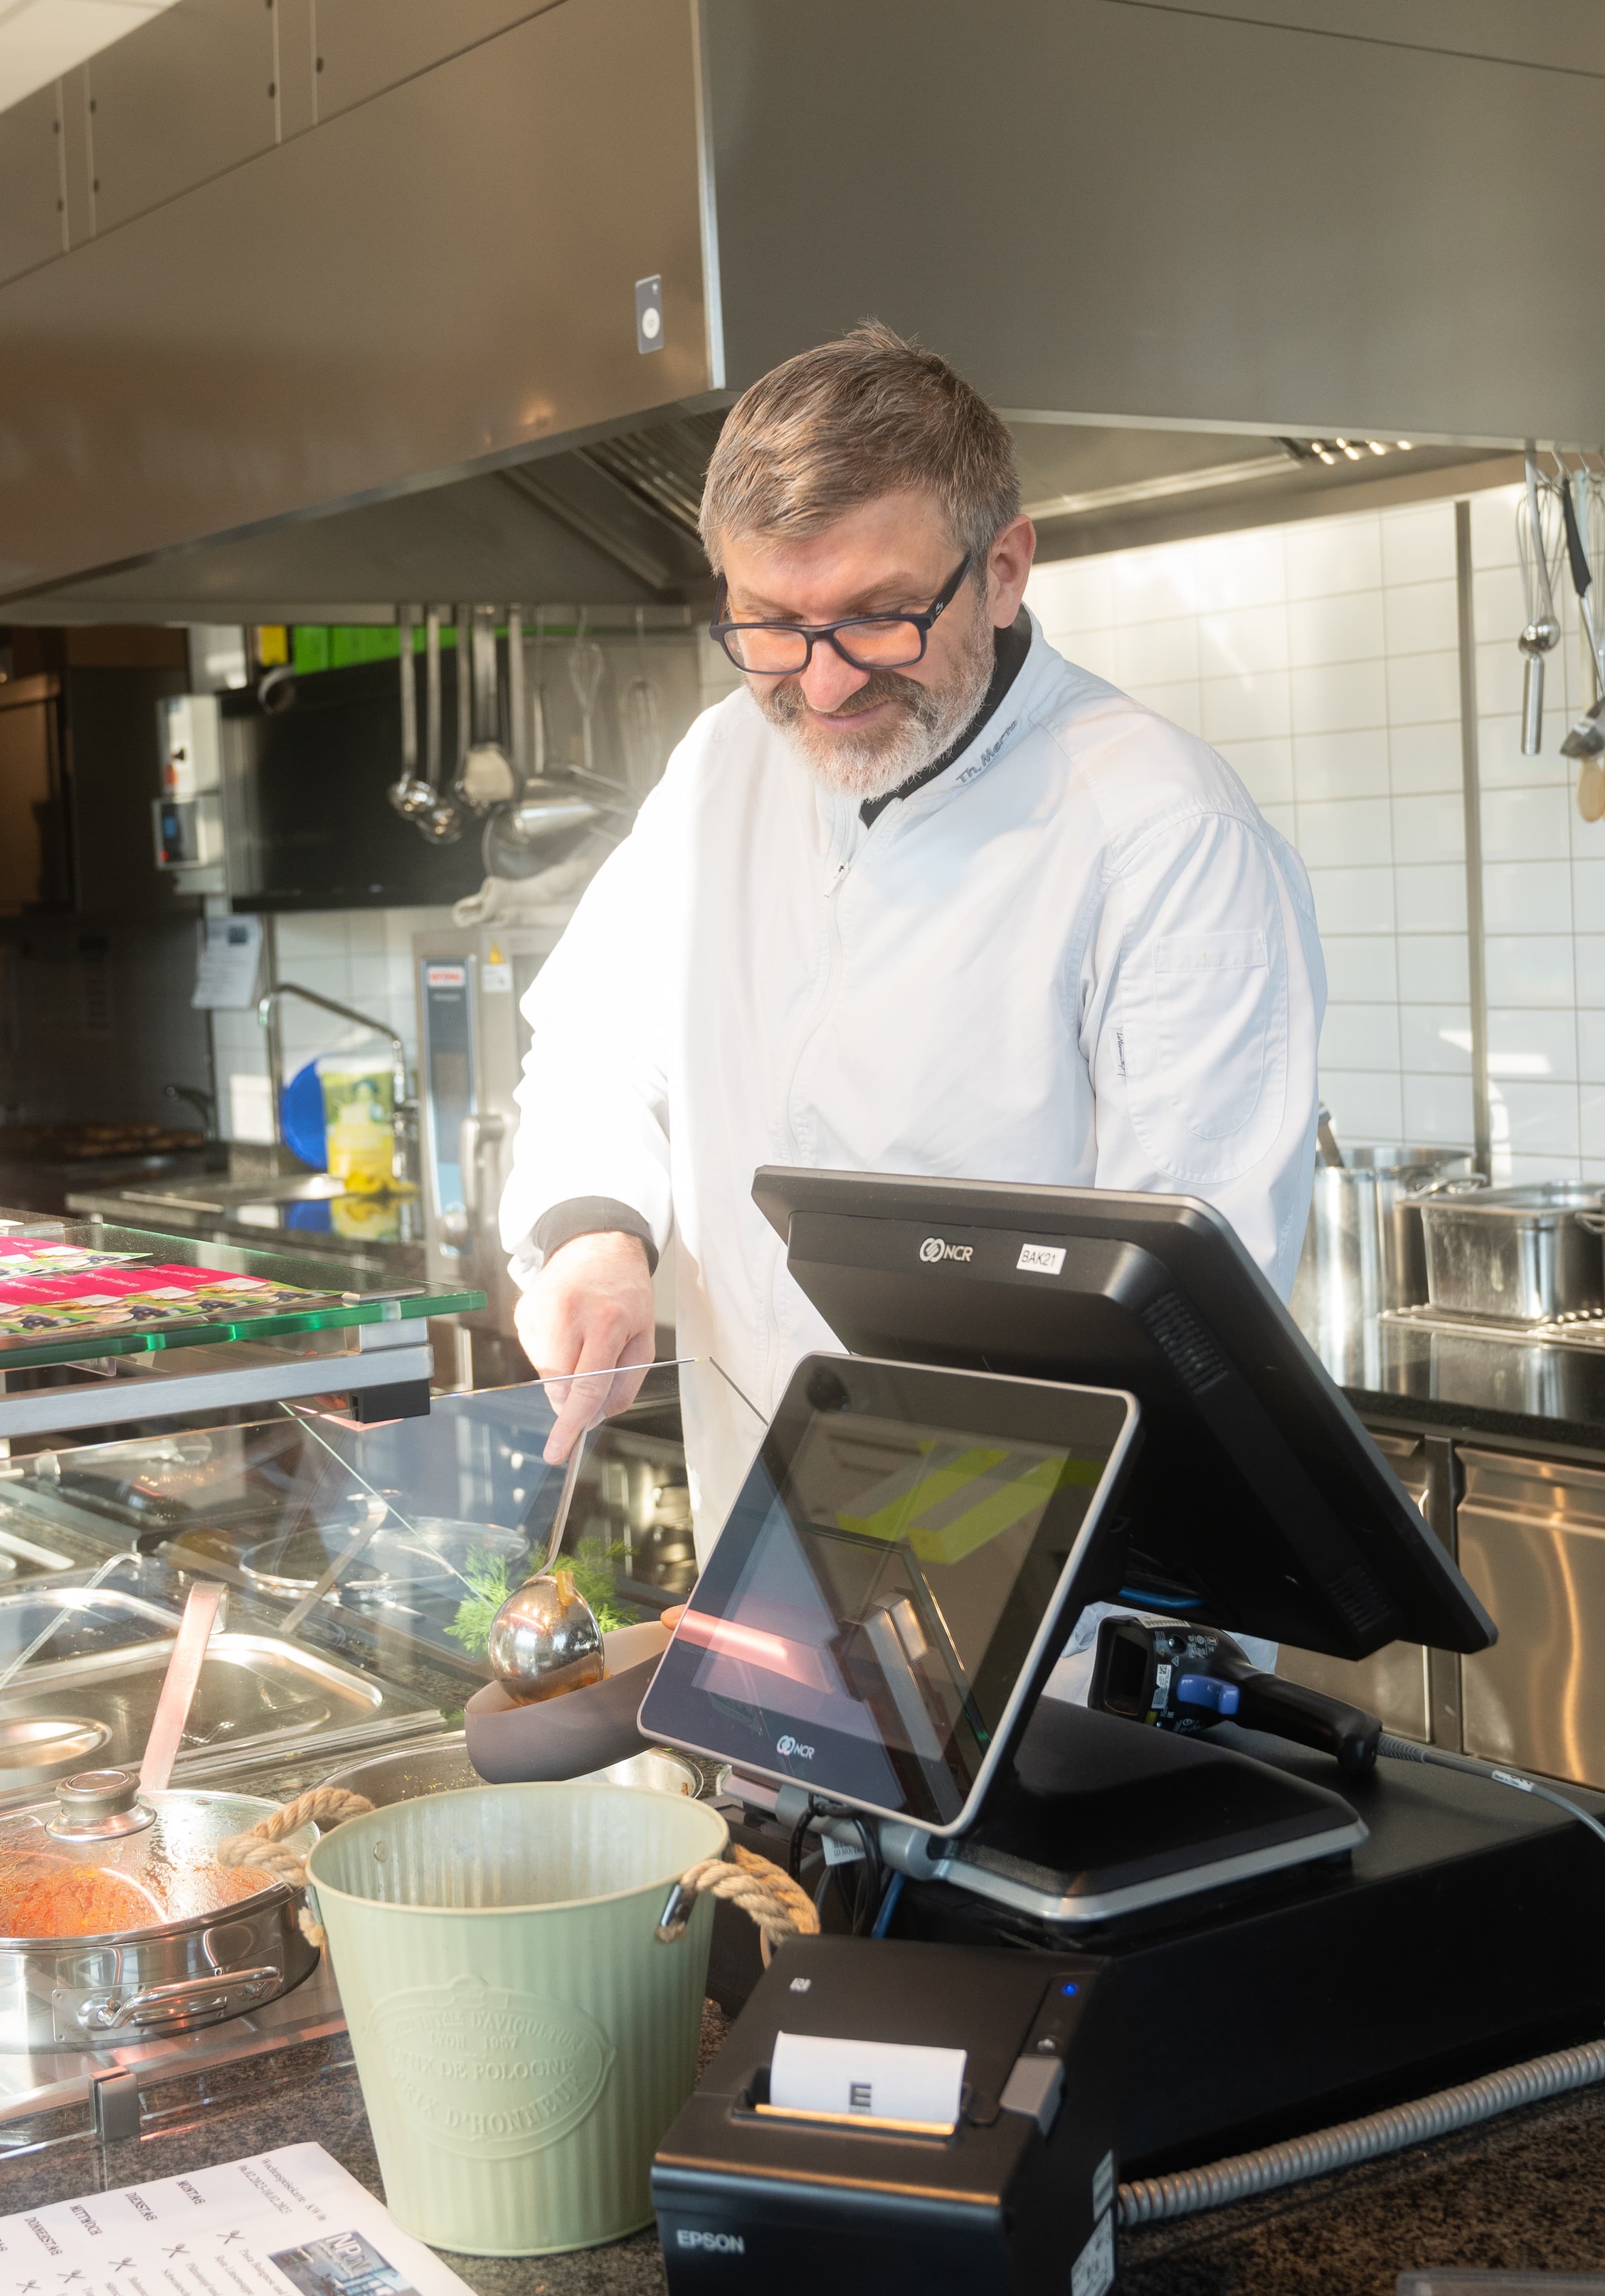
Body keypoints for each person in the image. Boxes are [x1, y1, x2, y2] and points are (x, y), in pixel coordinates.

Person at [498, 324, 1328, 1511]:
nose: (824, 684)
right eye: (772, 627)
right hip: (765, 1544)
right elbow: (597, 1032)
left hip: (1038, 1591)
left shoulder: (1164, 836)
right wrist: (594, 1230)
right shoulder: (728, 759)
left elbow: (1183, 1319)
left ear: (1003, 570)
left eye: (880, 615)